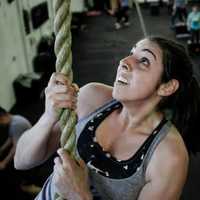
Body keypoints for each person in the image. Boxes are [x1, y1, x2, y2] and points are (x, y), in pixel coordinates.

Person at [14, 36, 200, 200]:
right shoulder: (93, 98)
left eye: (144, 61)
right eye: (131, 53)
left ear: (167, 87)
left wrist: (80, 196)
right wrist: (48, 117)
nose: (124, 61)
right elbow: (22, 161)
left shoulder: (168, 156)